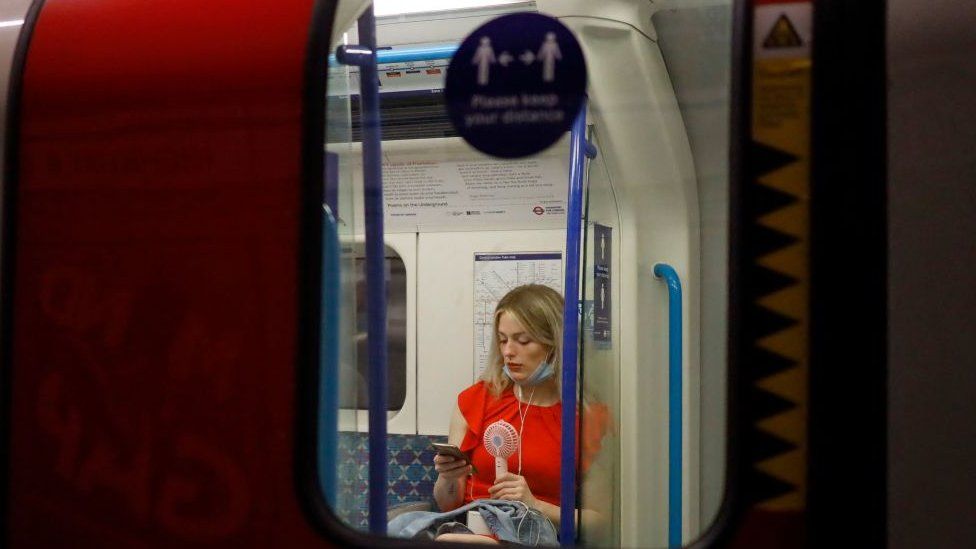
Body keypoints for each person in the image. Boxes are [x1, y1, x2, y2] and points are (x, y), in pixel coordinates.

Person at [430, 284, 609, 544]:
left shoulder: (588, 419)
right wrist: (448, 477)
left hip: (539, 534)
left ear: (556, 345)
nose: (508, 352)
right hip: (471, 527)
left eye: (523, 341)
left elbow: (601, 521)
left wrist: (535, 504)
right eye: (503, 340)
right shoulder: (476, 400)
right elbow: (448, 503)